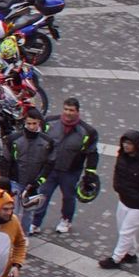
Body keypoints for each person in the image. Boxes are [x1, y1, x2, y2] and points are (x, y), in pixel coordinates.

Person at [30, 97, 99, 236]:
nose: (68, 113)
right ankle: (35, 223)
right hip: (50, 169)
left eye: (71, 110)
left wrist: (90, 173)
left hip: (71, 171)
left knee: (68, 197)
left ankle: (66, 220)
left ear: (77, 112)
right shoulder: (49, 122)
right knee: (43, 195)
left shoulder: (88, 131)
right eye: (66, 109)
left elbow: (92, 153)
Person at [101, 130, 139, 270]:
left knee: (126, 231)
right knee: (124, 228)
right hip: (124, 200)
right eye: (125, 142)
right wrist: (117, 187)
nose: (126, 145)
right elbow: (117, 174)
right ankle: (131, 253)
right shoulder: (122, 157)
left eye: (129, 143)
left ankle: (116, 258)